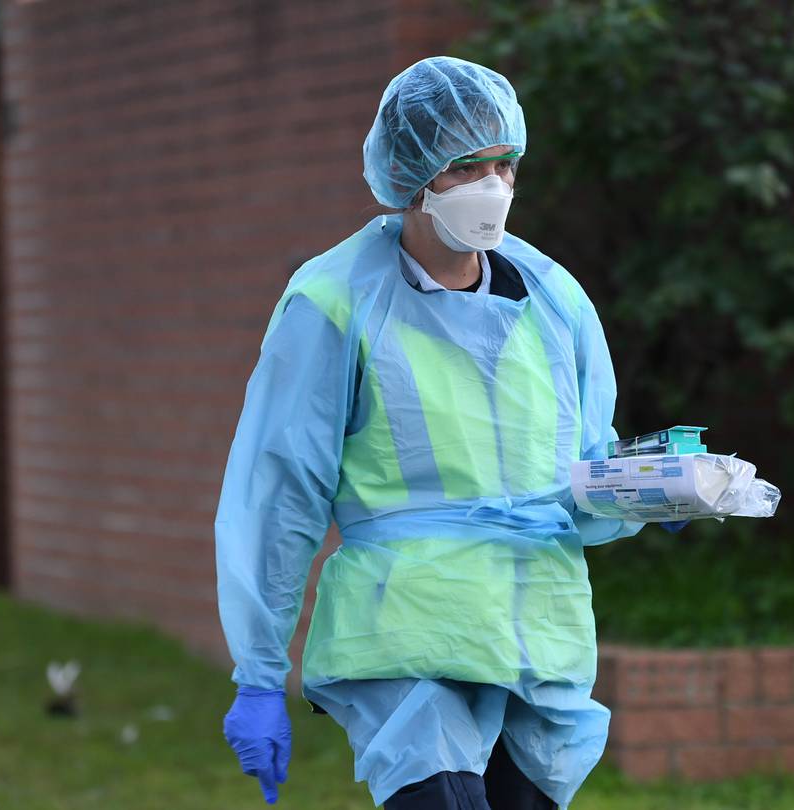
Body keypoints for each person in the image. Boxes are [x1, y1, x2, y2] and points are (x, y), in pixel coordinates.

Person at [216, 56, 664, 809]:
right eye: (467, 166)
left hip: (534, 633)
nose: (493, 187)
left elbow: (582, 479)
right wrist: (260, 672)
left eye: (505, 163)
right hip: (406, 634)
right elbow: (281, 492)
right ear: (412, 174)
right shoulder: (333, 304)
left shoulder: (554, 303)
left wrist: (646, 494)